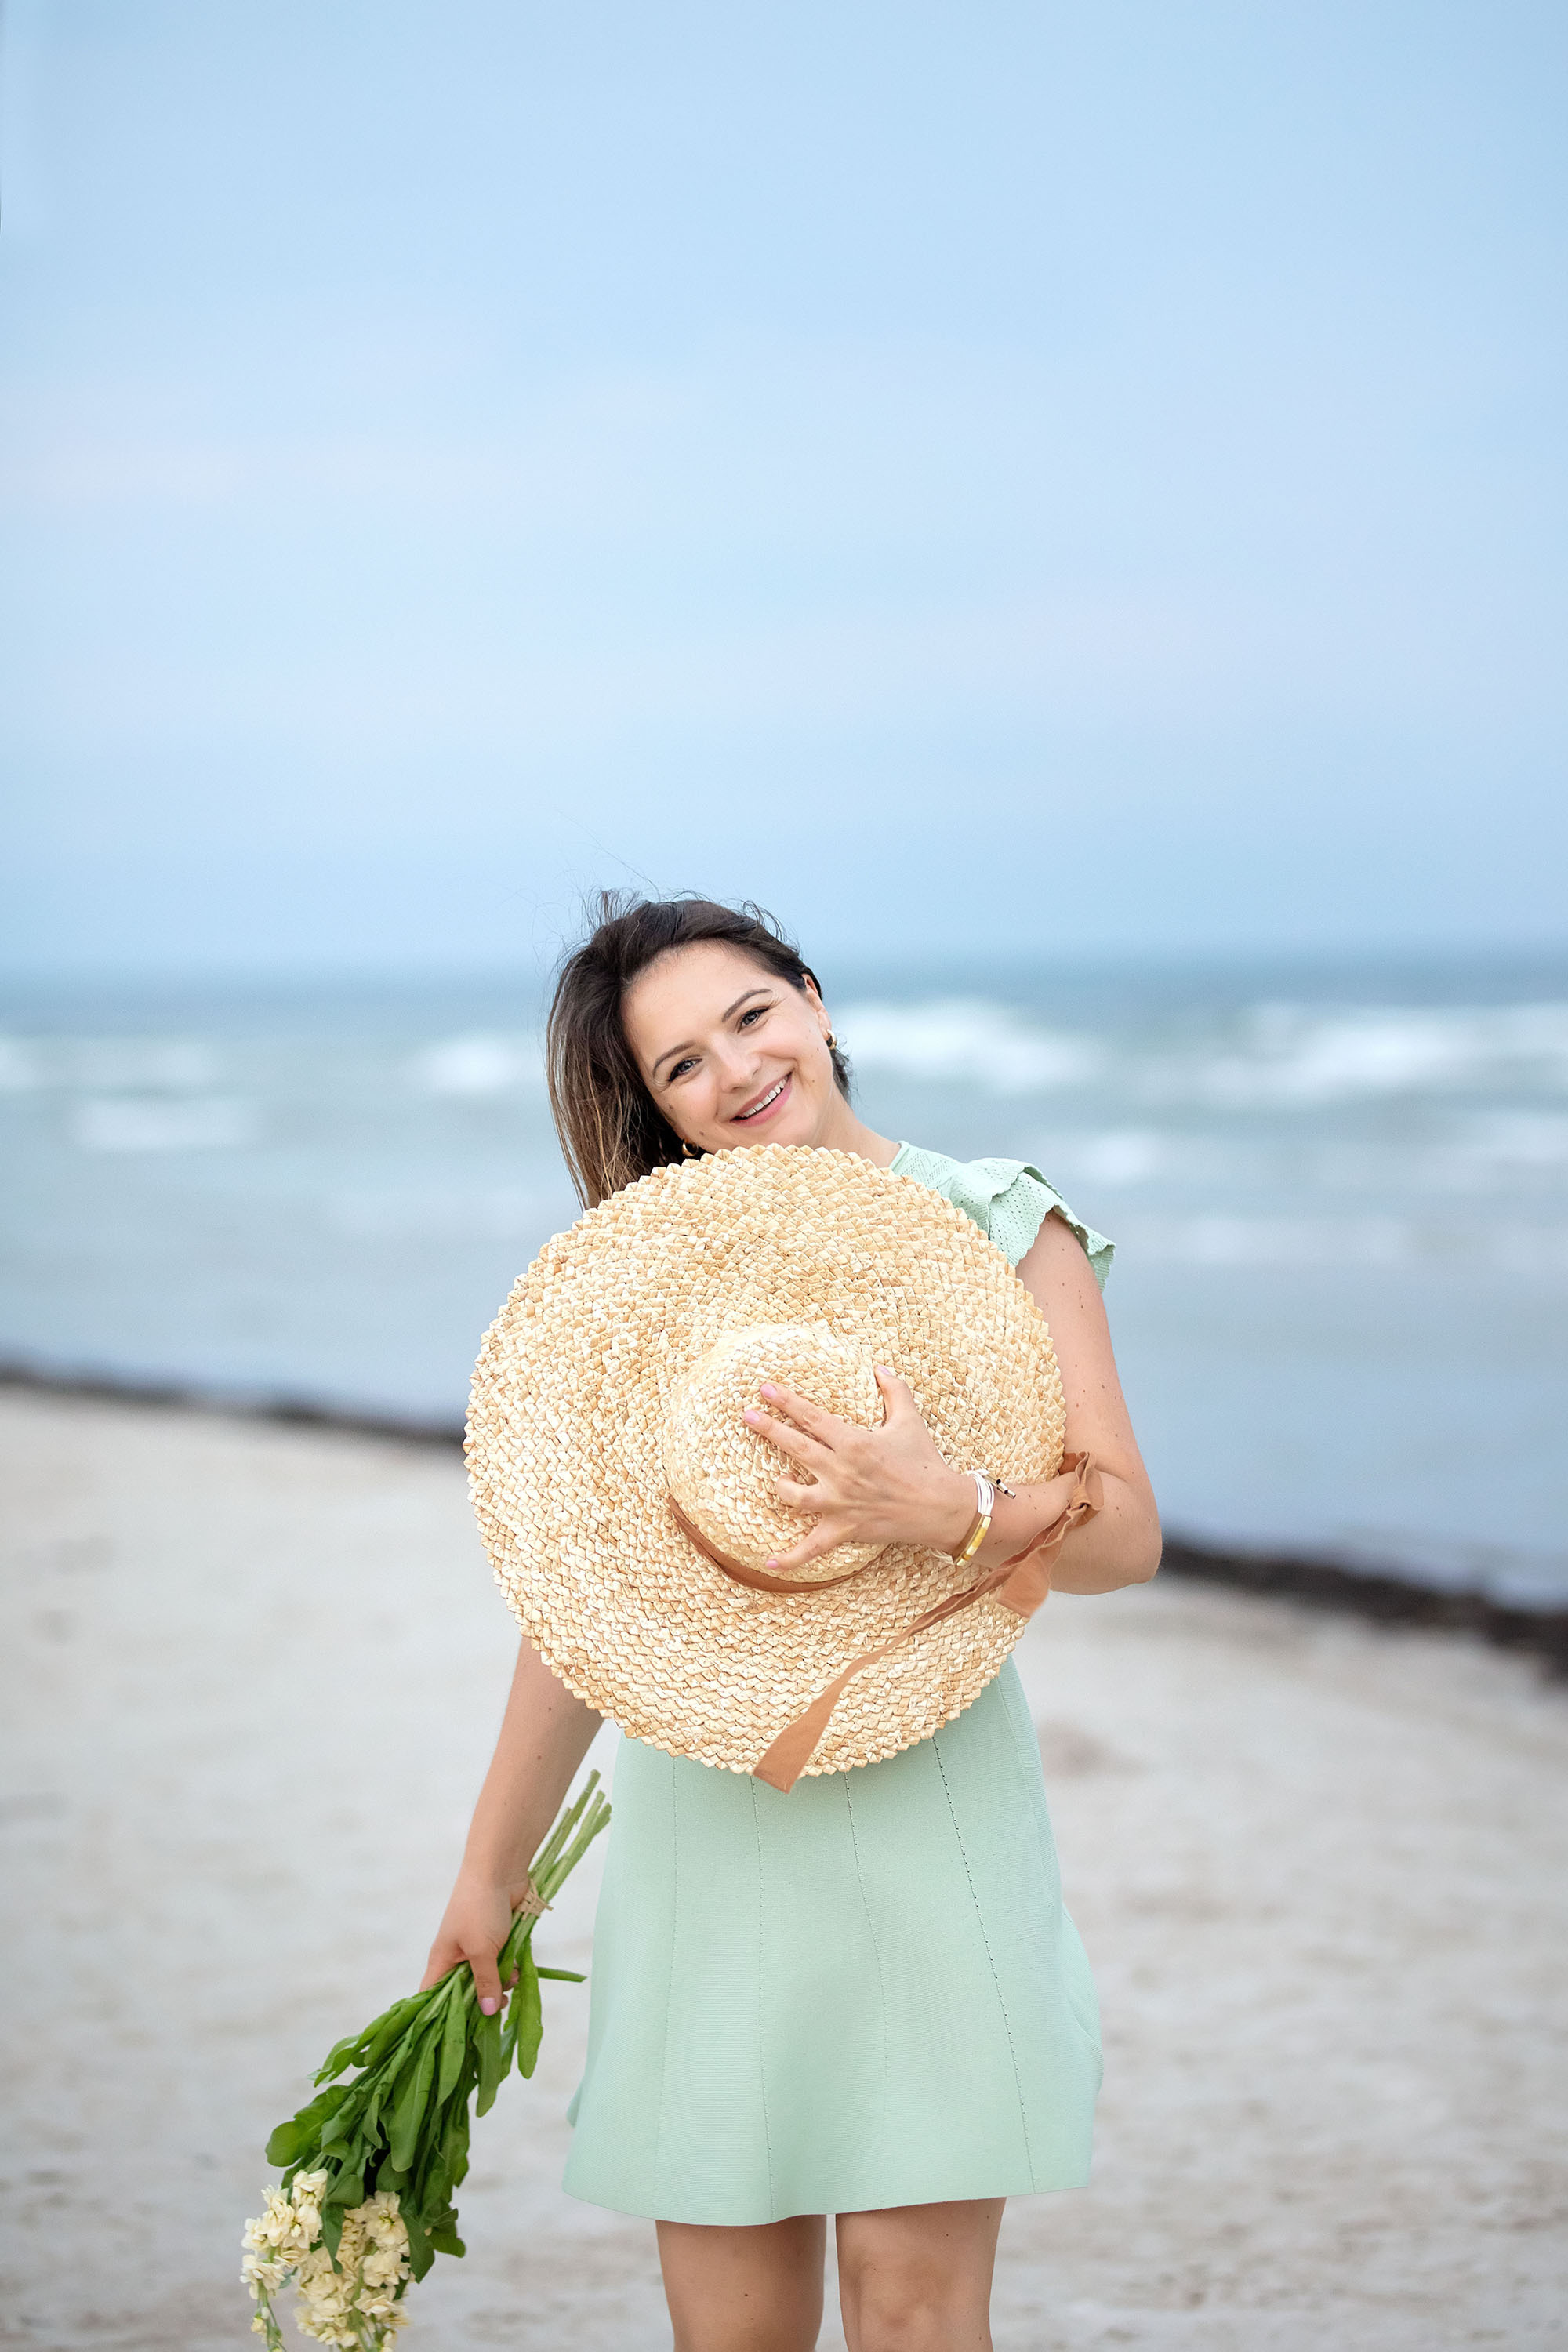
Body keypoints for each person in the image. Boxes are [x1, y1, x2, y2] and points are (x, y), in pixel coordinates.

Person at [424, 893, 1161, 2352]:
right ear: (660, 1110)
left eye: (752, 1017)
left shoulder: (1005, 1222)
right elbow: (593, 1608)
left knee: (914, 2317)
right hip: (714, 1824)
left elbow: (1126, 1534)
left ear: (815, 1002)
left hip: (936, 1809)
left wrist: (953, 1507)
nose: (738, 1071)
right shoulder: (646, 1288)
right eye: (681, 1065)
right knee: (735, 2337)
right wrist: (489, 1870)